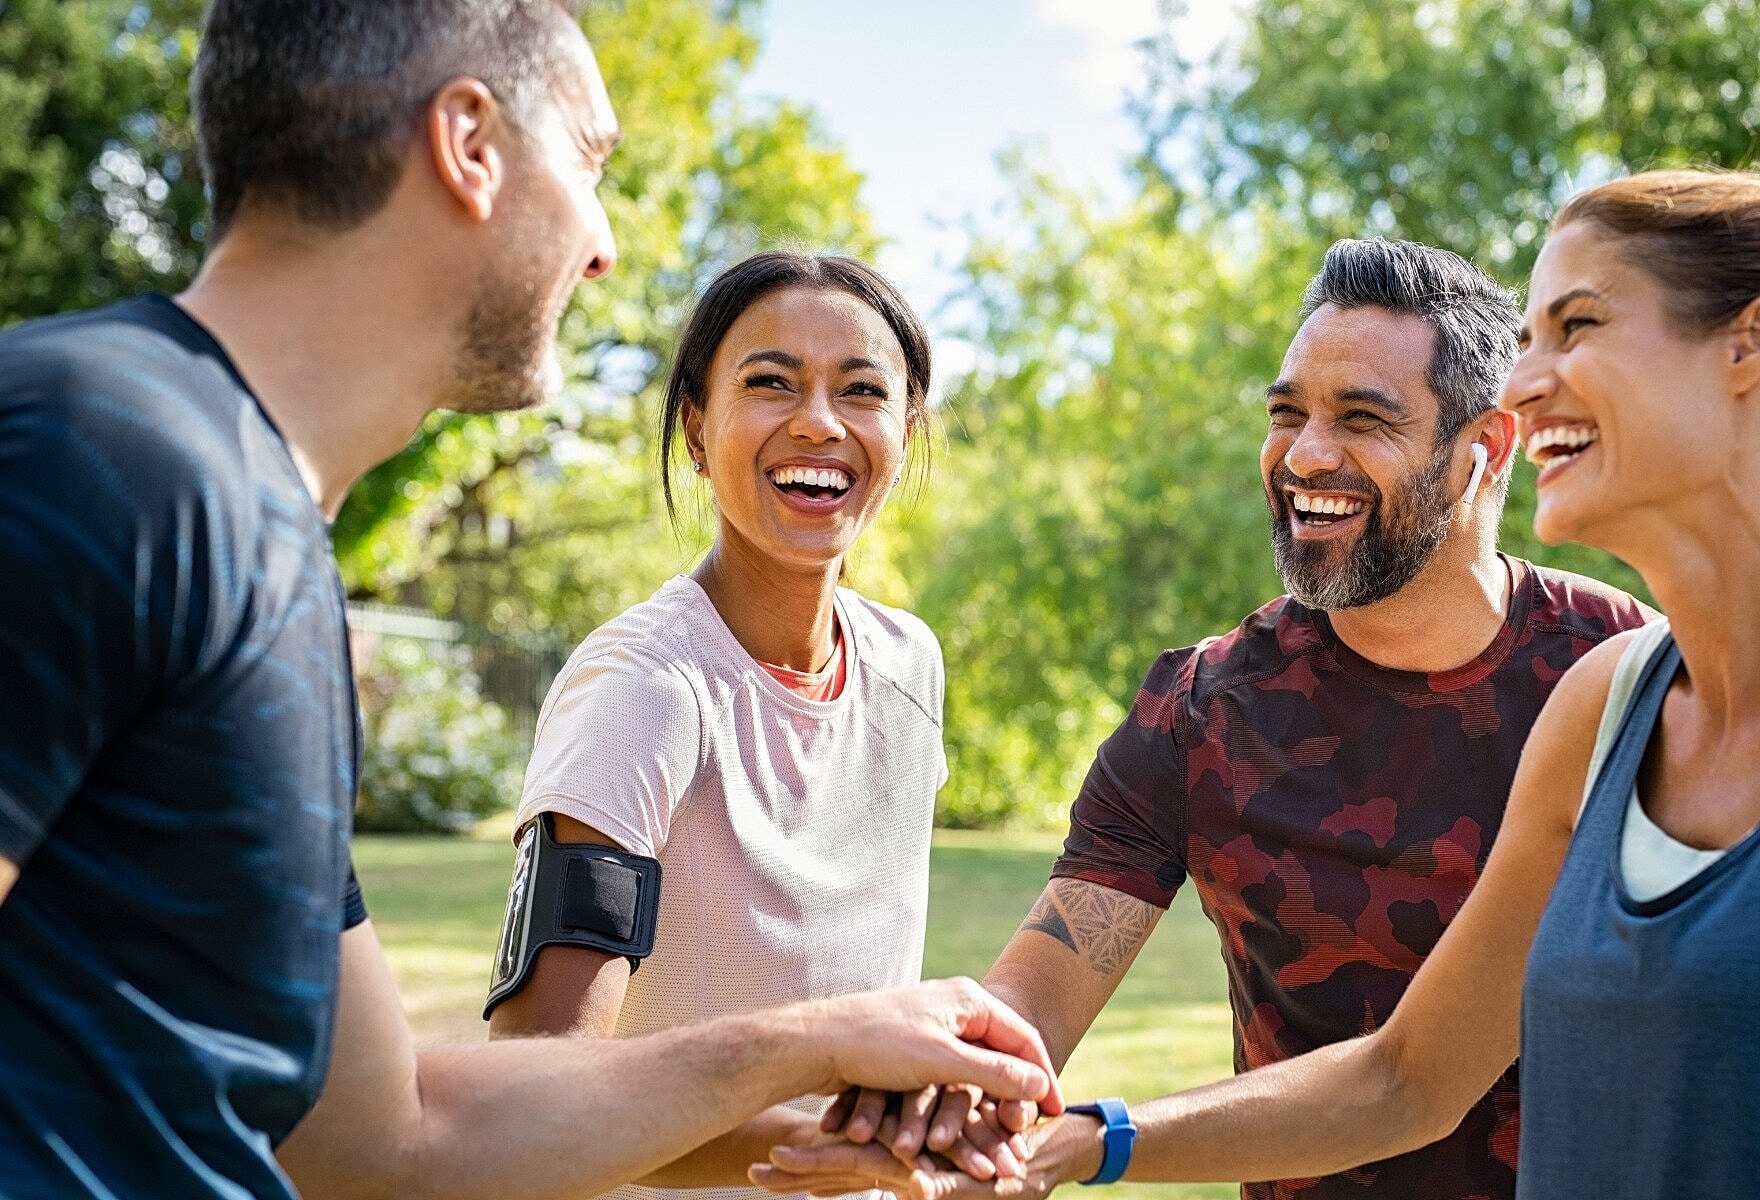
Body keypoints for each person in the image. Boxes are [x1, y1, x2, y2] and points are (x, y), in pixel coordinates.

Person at [760, 170, 1760, 1200]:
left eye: (1576, 326)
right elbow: (1403, 1076)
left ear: (1751, 348)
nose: (1534, 383)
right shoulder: (1578, 711)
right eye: (1287, 411)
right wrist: (1038, 1128)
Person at [0, 5, 1058, 1199]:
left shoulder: (271, 551)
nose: (604, 245)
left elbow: (384, 1138)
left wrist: (825, 1050)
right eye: (592, 161)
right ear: (469, 143)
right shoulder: (93, 454)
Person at [803, 238, 1648, 1200]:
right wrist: (946, 1102)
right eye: (1288, 415)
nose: (1305, 455)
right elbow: (1035, 1000)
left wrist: (1097, 1140)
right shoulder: (1201, 712)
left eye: (1362, 419)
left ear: (1484, 450)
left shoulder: (1626, 672)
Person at [483, 251, 1031, 1198]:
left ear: (906, 431)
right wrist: (842, 1129)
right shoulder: (641, 692)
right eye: (771, 383)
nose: (818, 421)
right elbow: (533, 1095)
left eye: (862, 390)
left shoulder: (909, 666)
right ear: (698, 430)